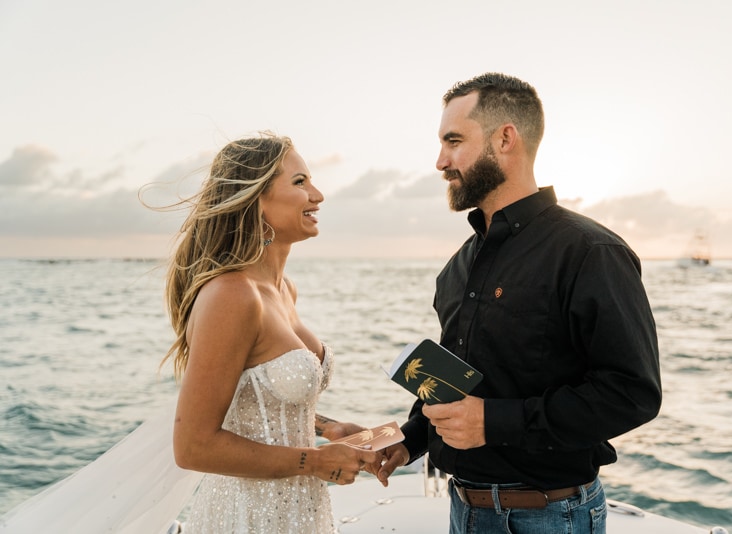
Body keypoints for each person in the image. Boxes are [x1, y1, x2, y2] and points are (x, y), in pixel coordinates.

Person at [375, 73, 662, 533]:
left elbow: (633, 394)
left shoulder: (590, 252)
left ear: (505, 138)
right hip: (462, 510)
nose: (439, 161)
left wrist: (494, 421)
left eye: (453, 141)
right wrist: (408, 441)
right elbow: (464, 381)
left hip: (549, 516)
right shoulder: (457, 267)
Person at [164, 131, 377, 533]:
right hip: (246, 517)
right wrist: (316, 461)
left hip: (301, 512)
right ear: (255, 200)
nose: (318, 194)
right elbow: (193, 446)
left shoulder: (284, 290)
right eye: (299, 182)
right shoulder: (232, 294)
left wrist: (327, 428)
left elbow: (257, 395)